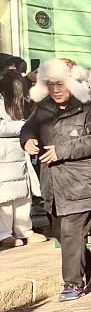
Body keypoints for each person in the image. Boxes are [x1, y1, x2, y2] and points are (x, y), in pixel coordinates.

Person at [21, 58, 91, 301]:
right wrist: (27, 139)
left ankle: (73, 283)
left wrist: (62, 150)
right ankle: (88, 261)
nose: (56, 90)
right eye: (51, 84)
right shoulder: (43, 107)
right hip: (51, 182)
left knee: (71, 232)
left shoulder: (90, 107)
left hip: (80, 181)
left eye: (60, 84)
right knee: (60, 232)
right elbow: (28, 127)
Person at [0, 71, 45, 248]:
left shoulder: (22, 103)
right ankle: (4, 234)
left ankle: (25, 230)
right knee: (5, 196)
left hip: (20, 155)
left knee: (23, 195)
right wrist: (25, 125)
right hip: (4, 157)